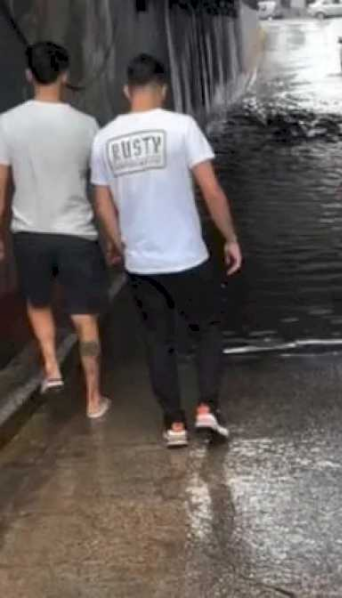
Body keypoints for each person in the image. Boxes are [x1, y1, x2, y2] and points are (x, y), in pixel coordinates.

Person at [91, 54, 242, 448]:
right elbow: (210, 190)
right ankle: (207, 408)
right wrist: (230, 237)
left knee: (159, 341)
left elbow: (103, 203)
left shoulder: (104, 138)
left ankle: (174, 424)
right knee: (206, 328)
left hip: (142, 264)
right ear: (164, 90)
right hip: (188, 257)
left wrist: (118, 241)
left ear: (127, 91)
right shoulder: (181, 127)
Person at [0, 42, 111, 419]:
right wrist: (114, 236)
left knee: (38, 302)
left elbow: (0, 189)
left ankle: (51, 367)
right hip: (77, 235)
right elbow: (101, 191)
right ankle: (94, 399)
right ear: (65, 76)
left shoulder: (7, 123)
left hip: (29, 233)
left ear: (29, 75)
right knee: (84, 316)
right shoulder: (87, 126)